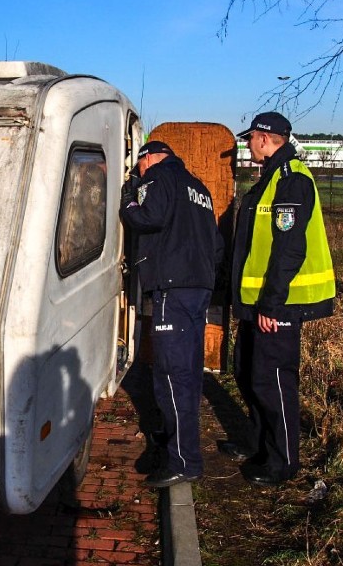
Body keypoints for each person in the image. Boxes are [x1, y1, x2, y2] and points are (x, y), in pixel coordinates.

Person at [225, 111, 335, 487]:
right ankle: (258, 444)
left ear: (264, 137)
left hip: (279, 305)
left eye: (249, 139)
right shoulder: (270, 178)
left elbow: (289, 249)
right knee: (247, 373)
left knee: (272, 381)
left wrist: (272, 305)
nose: (247, 146)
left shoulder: (291, 181)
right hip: (258, 304)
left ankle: (283, 461)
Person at [120, 140, 223, 488]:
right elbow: (216, 244)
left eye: (139, 165)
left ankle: (183, 460)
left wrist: (129, 198)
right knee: (189, 373)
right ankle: (175, 445)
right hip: (197, 290)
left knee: (170, 375)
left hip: (173, 289)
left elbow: (147, 217)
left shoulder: (159, 178)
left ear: (149, 158)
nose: (139, 170)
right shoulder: (200, 188)